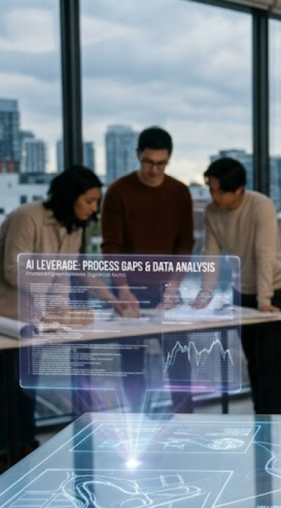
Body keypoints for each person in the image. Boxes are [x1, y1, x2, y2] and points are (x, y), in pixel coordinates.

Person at [0, 167, 103, 476]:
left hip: (29, 312)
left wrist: (59, 308)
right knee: (3, 381)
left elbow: (63, 276)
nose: (94, 208)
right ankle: (5, 453)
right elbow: (15, 271)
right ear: (70, 196)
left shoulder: (74, 228)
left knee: (28, 378)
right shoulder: (28, 217)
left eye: (96, 202)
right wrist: (48, 305)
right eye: (90, 201)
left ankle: (24, 444)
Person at [100, 126, 195, 414]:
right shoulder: (118, 191)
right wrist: (122, 288)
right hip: (129, 287)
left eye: (161, 164)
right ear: (138, 155)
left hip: (168, 286)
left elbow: (184, 245)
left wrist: (174, 286)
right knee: (131, 362)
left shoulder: (179, 192)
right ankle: (137, 422)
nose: (154, 170)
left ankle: (184, 421)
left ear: (169, 160)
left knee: (179, 360)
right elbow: (111, 246)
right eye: (148, 162)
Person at [195, 157, 281, 414]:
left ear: (238, 190)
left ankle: (272, 420)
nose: (214, 196)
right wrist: (205, 292)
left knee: (268, 362)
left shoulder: (261, 206)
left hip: (273, 289)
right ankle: (261, 417)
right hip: (241, 290)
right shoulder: (212, 212)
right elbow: (210, 253)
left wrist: (264, 300)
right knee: (253, 360)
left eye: (219, 191)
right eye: (211, 189)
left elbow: (264, 254)